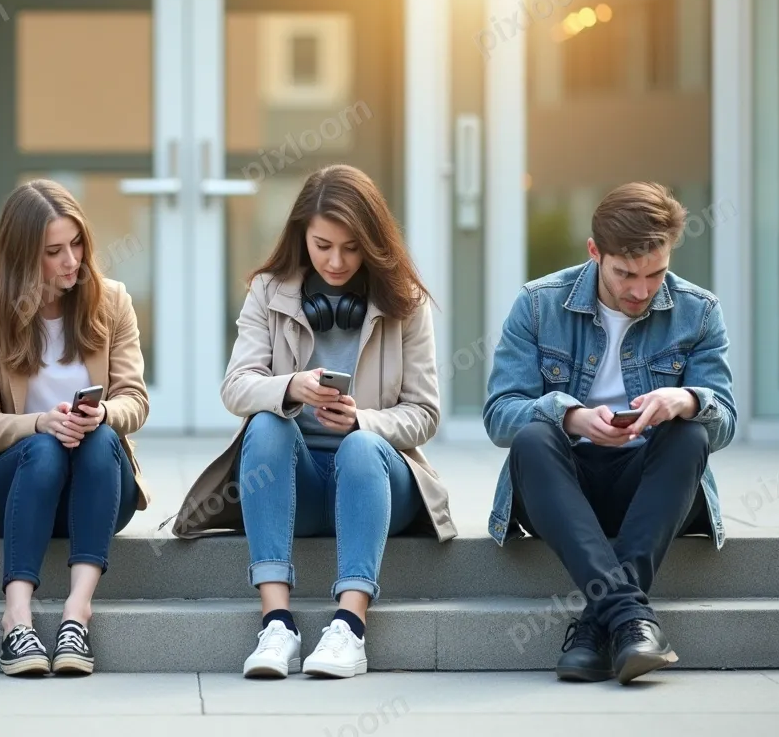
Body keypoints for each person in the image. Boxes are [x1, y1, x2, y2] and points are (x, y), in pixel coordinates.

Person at [170, 164, 456, 680]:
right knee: (265, 424)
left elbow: (425, 413)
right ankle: (277, 624)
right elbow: (235, 386)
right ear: (302, 235)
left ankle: (349, 627)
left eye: (351, 247)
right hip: (294, 486)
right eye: (323, 245)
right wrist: (290, 387)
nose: (337, 261)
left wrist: (363, 421)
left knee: (361, 448)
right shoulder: (267, 291)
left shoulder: (405, 302)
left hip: (378, 482)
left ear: (373, 241)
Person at [483, 181, 736, 685]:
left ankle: (597, 629)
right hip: (561, 493)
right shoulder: (537, 305)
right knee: (534, 437)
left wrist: (685, 401)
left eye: (655, 273)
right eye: (625, 273)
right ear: (595, 252)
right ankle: (629, 619)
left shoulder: (699, 311)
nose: (641, 290)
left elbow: (724, 420)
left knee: (690, 434)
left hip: (653, 492)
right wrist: (571, 416)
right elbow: (499, 414)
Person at [0, 179, 150, 677]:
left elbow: (135, 400)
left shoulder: (112, 301)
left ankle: (76, 614)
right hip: (16, 488)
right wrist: (39, 423)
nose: (71, 261)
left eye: (76, 244)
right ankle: (16, 618)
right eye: (53, 251)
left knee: (100, 435)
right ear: (21, 257)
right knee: (44, 448)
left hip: (97, 486)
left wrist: (104, 414)